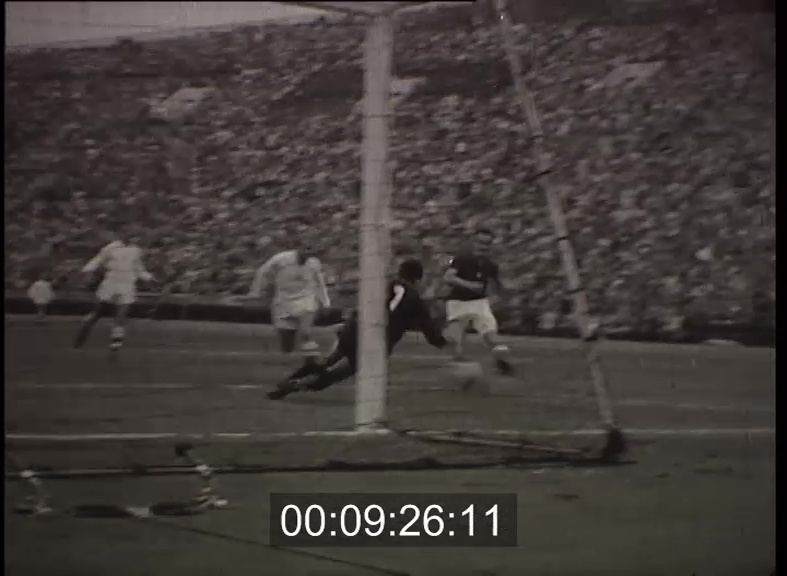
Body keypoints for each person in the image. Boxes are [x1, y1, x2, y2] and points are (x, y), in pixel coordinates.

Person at [267, 258, 446, 400]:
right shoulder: (415, 300)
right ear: (418, 279)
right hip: (376, 342)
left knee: (327, 362)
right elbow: (430, 331)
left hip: (354, 329)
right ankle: (300, 385)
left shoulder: (384, 284)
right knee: (340, 372)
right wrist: (445, 343)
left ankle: (290, 381)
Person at [239, 237, 331, 362]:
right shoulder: (281, 259)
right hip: (283, 300)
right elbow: (263, 272)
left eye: (311, 250)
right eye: (306, 249)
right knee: (286, 338)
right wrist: (256, 292)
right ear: (298, 248)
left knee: (305, 332)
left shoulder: (314, 264)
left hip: (306, 299)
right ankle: (288, 360)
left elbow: (320, 283)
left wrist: (325, 303)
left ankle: (313, 361)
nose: (308, 252)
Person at [442, 227, 514, 376]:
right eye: (480, 242)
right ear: (473, 242)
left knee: (493, 339)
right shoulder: (462, 259)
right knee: (457, 343)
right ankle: (462, 374)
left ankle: (501, 364)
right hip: (457, 303)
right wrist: (469, 285)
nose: (483, 246)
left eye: (487, 243)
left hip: (479, 303)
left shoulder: (490, 265)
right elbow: (448, 277)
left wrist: (502, 295)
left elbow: (498, 285)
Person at [73, 226, 154, 352]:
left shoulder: (136, 250)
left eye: (132, 233)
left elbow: (138, 268)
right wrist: (86, 271)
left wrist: (149, 278)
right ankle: (84, 330)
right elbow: (98, 260)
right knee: (97, 312)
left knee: (122, 312)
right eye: (127, 233)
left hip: (127, 282)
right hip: (111, 281)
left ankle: (116, 339)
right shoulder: (110, 247)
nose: (130, 235)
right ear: (121, 234)